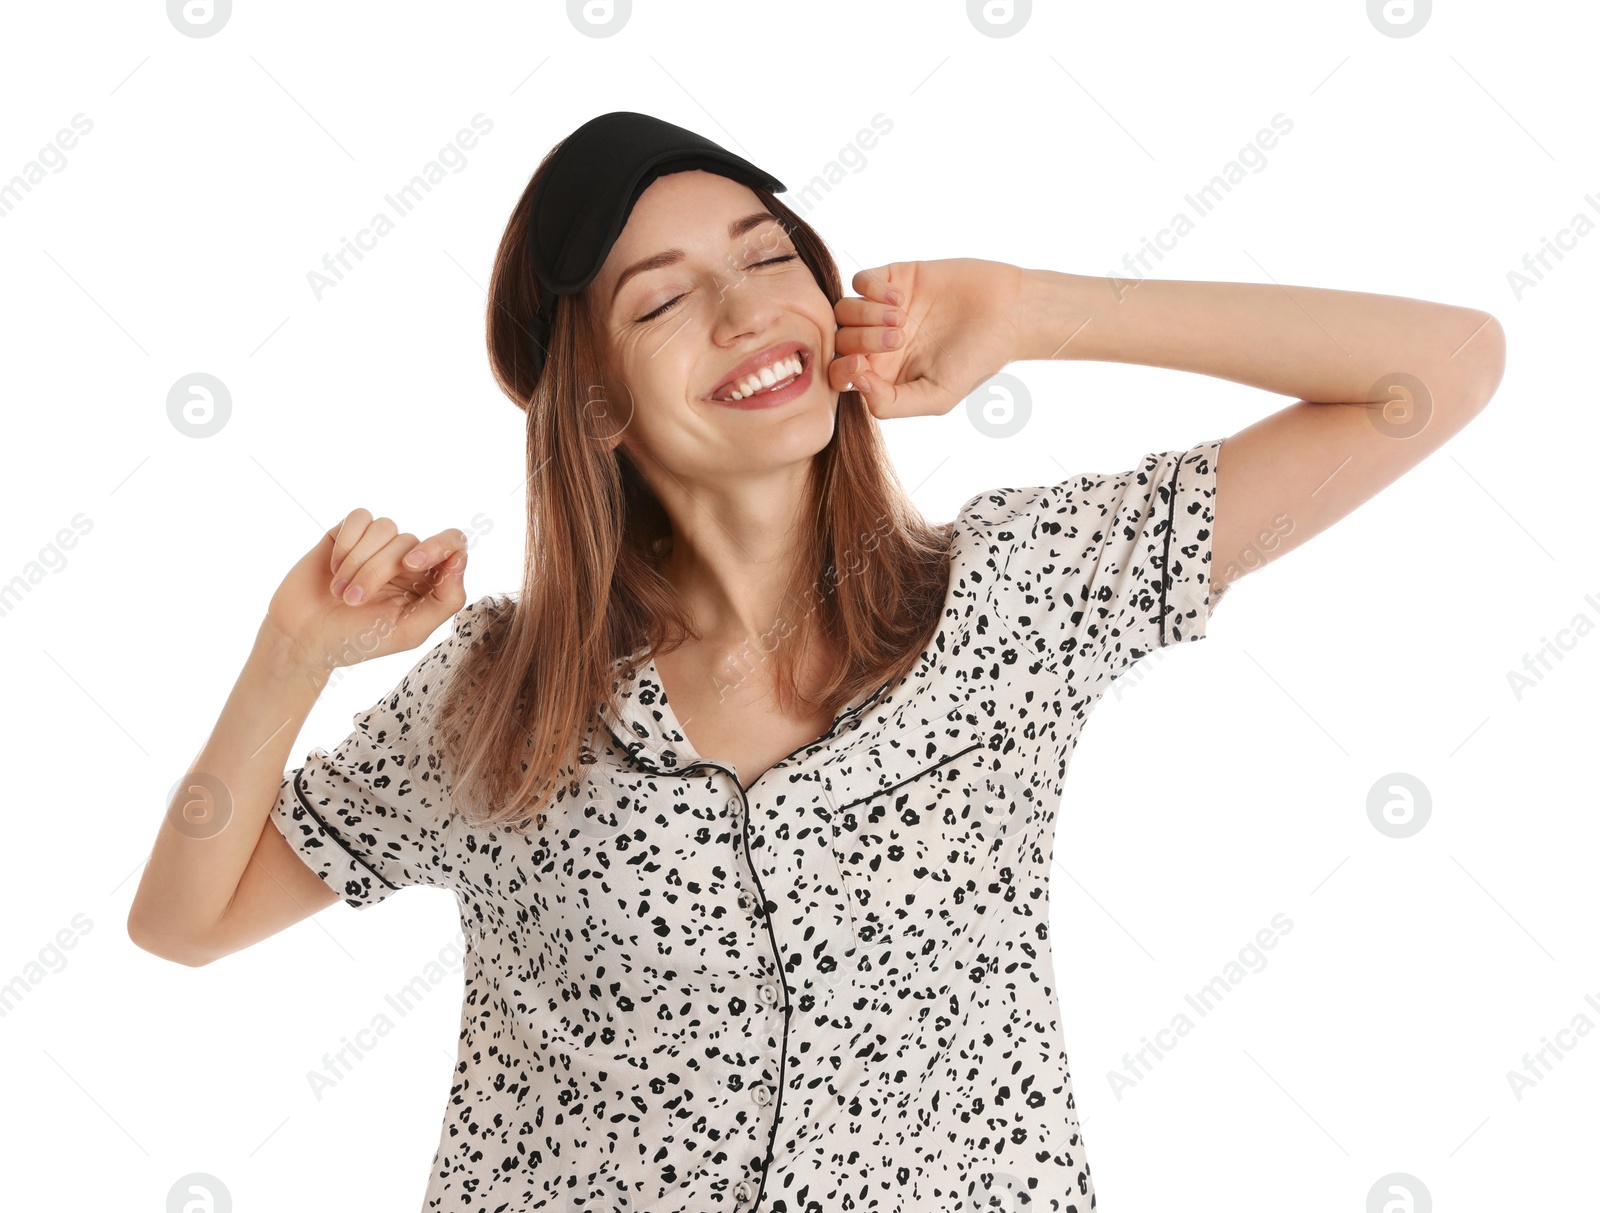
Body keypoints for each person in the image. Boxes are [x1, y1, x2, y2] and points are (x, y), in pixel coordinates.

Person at [127, 112, 1506, 1212]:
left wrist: (1034, 312)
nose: (745, 312)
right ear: (594, 400)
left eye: (770, 256)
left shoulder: (1014, 602)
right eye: (664, 303)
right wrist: (294, 652)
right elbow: (185, 918)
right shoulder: (505, 700)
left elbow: (1441, 366)